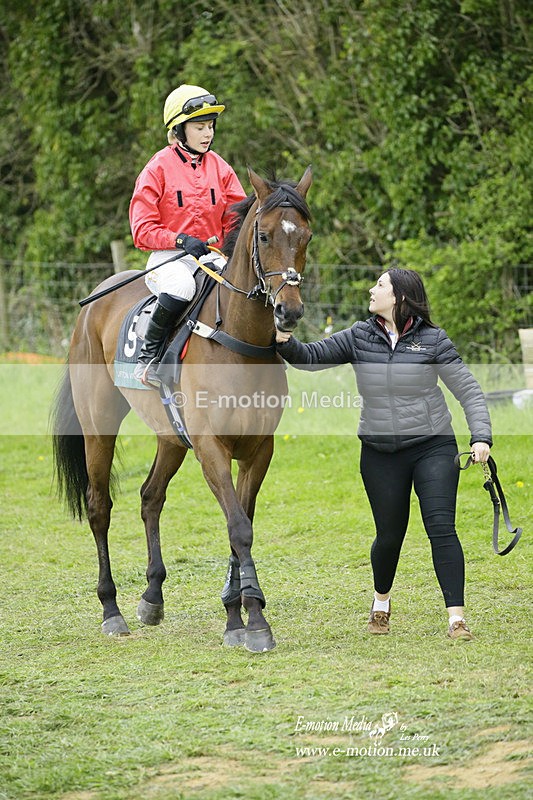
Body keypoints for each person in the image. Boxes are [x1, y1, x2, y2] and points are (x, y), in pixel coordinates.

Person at [276, 268, 492, 641]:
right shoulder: (360, 336)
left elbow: (468, 390)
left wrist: (481, 437)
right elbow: (308, 357)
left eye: (380, 285)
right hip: (380, 452)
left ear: (400, 297)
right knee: (389, 536)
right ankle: (381, 603)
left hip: (433, 446)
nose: (371, 290)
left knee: (441, 529)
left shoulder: (433, 340)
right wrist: (282, 333)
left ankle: (456, 618)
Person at [129, 83, 247, 386]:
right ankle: (149, 359)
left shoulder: (221, 168)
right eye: (199, 127)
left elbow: (237, 219)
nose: (208, 134)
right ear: (179, 130)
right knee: (182, 288)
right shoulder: (157, 168)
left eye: (210, 126)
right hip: (170, 258)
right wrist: (180, 240)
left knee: (243, 289)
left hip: (211, 258)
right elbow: (142, 229)